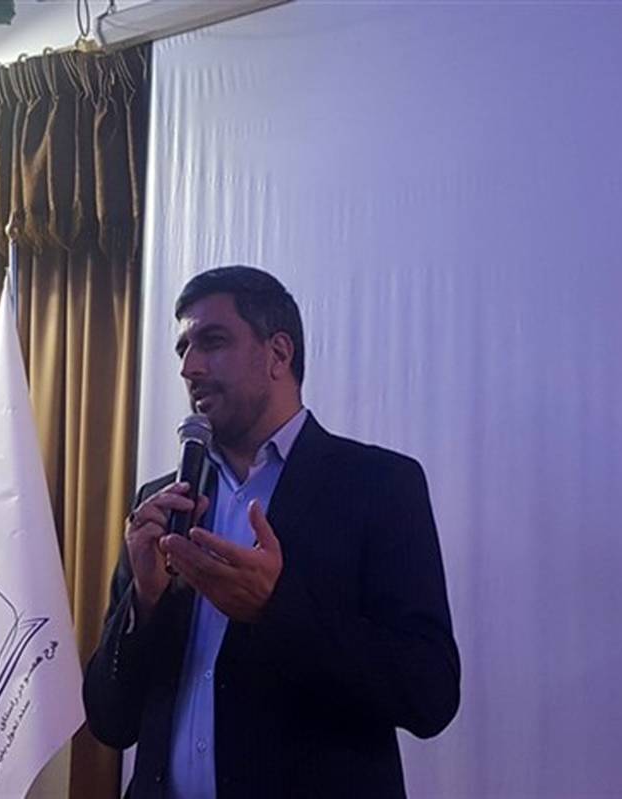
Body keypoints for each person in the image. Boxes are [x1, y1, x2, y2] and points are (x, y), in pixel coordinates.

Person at [84, 266, 460, 799]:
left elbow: (429, 693)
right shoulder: (163, 502)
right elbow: (110, 720)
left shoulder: (377, 485)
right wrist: (144, 604)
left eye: (212, 342)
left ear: (278, 354)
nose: (189, 367)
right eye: (183, 349)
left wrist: (275, 606)